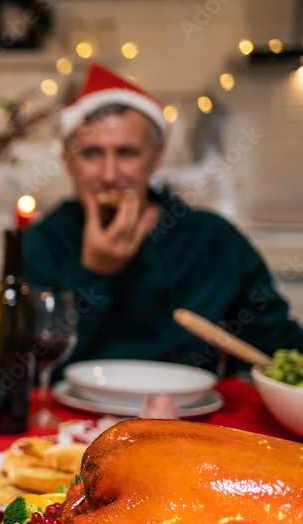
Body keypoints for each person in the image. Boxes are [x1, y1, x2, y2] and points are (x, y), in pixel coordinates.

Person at [23, 63, 303, 374]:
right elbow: (27, 371)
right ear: (67, 160)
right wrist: (95, 274)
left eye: (127, 153)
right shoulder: (42, 243)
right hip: (76, 421)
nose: (109, 174)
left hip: (189, 419)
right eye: (91, 154)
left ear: (156, 157)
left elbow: (282, 353)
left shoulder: (213, 241)